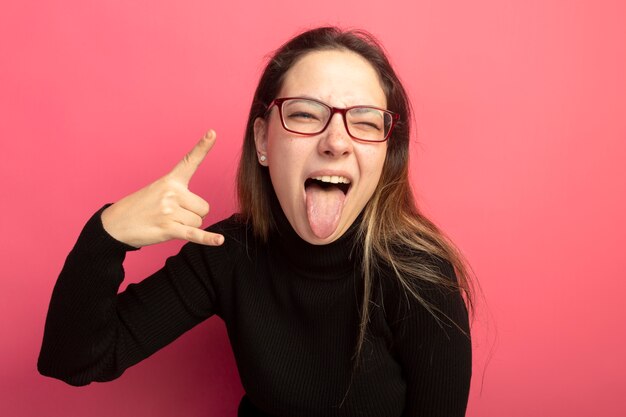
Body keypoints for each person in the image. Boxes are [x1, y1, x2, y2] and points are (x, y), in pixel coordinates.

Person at [38, 27, 474, 416]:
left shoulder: (421, 275)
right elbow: (75, 360)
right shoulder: (226, 255)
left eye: (363, 122)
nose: (337, 142)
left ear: (384, 153)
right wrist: (106, 235)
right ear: (263, 140)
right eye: (305, 114)